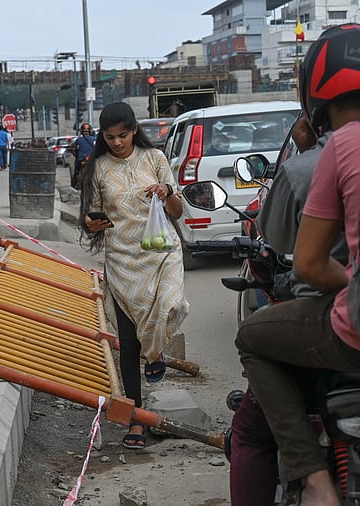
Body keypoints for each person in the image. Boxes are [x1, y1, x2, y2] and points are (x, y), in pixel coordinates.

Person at [234, 23, 360, 506]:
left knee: (250, 428)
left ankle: (313, 478)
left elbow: (298, 254)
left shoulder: (328, 152)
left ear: (314, 92)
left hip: (341, 327)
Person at [78, 102, 189, 449]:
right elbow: (92, 215)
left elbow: (177, 209)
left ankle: (155, 354)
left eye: (123, 135)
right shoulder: (97, 167)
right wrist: (90, 223)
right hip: (123, 260)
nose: (117, 142)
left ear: (134, 130)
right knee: (128, 343)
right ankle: (137, 420)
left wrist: (167, 191)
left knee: (170, 306)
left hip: (160, 253)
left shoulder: (155, 159)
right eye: (110, 137)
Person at [70, 123, 96, 189]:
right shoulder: (94, 139)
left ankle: (75, 182)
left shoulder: (79, 140)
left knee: (76, 169)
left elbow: (74, 148)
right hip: (92, 159)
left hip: (81, 159)